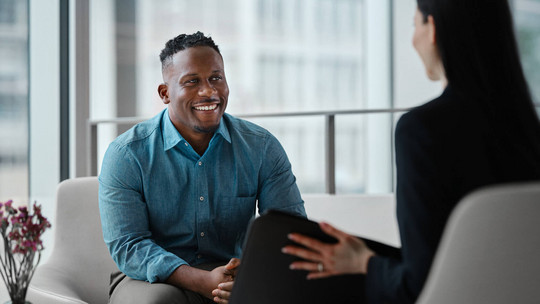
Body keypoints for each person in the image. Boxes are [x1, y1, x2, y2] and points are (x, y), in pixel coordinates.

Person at [282, 0, 540, 303]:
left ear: (433, 30)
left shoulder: (423, 131)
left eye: (415, 23)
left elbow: (418, 287)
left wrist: (363, 263)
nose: (413, 37)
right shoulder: (527, 130)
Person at [99, 31, 306, 304]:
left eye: (216, 78)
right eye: (192, 81)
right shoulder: (127, 154)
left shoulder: (262, 147)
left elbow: (290, 233)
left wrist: (251, 274)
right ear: (165, 93)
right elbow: (129, 246)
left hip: (234, 274)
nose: (208, 91)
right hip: (151, 279)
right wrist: (200, 280)